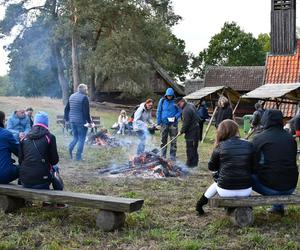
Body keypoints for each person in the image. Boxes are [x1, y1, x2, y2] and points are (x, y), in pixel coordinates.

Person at [195, 119, 254, 215]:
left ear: (221, 132)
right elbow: (253, 166)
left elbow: (211, 167)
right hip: (245, 190)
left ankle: (200, 204)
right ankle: (247, 205)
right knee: (232, 178)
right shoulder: (249, 145)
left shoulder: (220, 147)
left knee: (217, 182)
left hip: (225, 190)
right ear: (236, 130)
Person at [252, 109, 299, 215]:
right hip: (291, 186)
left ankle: (242, 205)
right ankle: (278, 208)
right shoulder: (291, 139)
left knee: (245, 175)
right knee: (279, 169)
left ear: (265, 120)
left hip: (271, 188)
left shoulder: (259, 138)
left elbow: (252, 163)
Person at [64, 84, 92, 161]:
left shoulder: (71, 96)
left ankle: (70, 148)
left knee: (75, 137)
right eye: (86, 89)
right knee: (81, 139)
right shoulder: (84, 98)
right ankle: (78, 157)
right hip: (81, 122)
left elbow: (66, 109)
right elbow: (86, 112)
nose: (87, 91)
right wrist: (89, 123)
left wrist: (66, 119)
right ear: (84, 90)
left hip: (72, 121)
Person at [156, 88, 181, 160]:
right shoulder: (162, 100)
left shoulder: (176, 102)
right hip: (164, 124)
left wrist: (175, 117)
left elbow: (180, 111)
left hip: (173, 124)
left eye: (170, 96)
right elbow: (159, 111)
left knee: (173, 140)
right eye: (168, 96)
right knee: (163, 140)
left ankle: (172, 156)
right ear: (166, 95)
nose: (169, 97)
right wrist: (159, 122)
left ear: (173, 95)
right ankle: (163, 156)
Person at [176, 97, 200, 167]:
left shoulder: (186, 110)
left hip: (192, 132)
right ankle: (195, 164)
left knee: (190, 148)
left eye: (178, 104)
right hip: (196, 129)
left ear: (182, 102)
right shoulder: (191, 105)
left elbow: (186, 123)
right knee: (194, 148)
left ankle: (189, 164)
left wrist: (181, 131)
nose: (178, 106)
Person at [0, 111, 19, 184]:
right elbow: (19, 152)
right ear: (3, 120)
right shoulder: (6, 134)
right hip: (2, 176)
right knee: (25, 168)